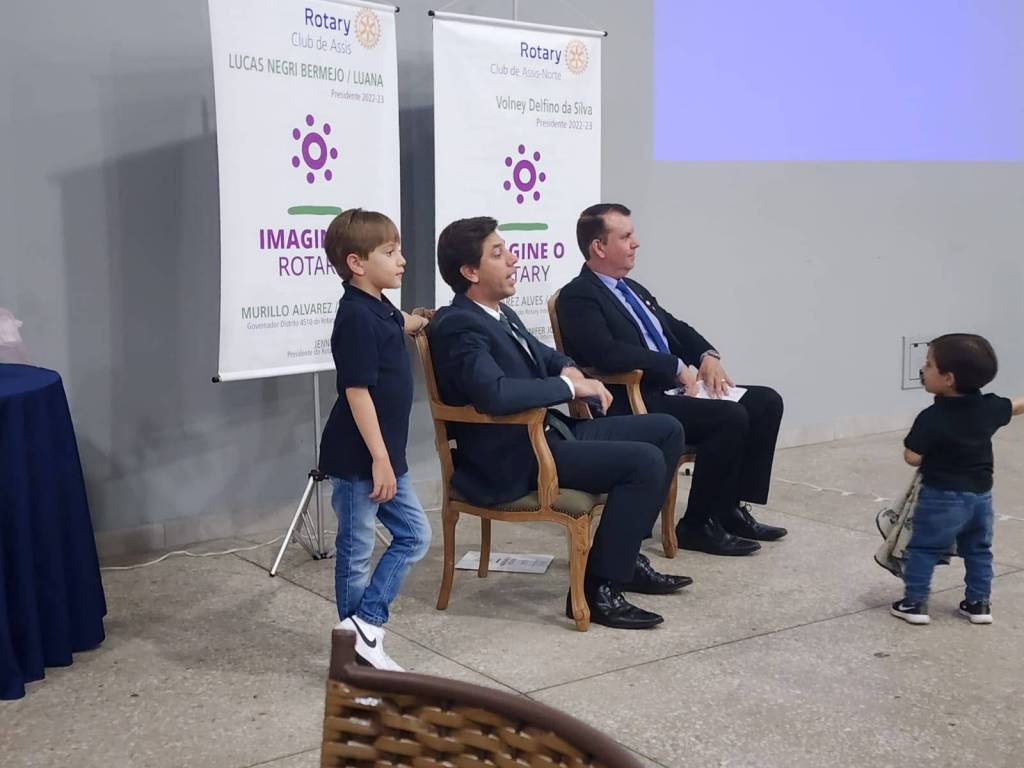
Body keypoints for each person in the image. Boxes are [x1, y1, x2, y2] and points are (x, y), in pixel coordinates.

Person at [428, 216, 690, 630]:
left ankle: (622, 558)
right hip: (517, 457)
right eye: (498, 254)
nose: (513, 259)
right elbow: (495, 394)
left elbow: (545, 355)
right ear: (470, 272)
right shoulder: (459, 326)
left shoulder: (499, 313)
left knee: (666, 430)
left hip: (548, 435)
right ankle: (597, 589)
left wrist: (569, 369)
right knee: (643, 462)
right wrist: (569, 388)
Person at [556, 203, 787, 557]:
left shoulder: (631, 288)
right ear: (598, 247)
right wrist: (675, 365)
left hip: (671, 390)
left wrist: (707, 356)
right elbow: (606, 353)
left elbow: (674, 328)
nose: (636, 243)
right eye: (626, 237)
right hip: (634, 398)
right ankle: (698, 524)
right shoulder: (578, 296)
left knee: (766, 402)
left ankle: (729, 509)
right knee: (729, 418)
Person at [318, 208, 432, 670]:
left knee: (415, 535)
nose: (402, 260)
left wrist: (420, 322)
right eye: (390, 252)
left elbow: (398, 322)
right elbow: (357, 391)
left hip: (387, 456)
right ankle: (356, 650)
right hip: (360, 458)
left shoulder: (378, 306)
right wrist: (380, 459)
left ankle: (364, 625)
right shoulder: (354, 318)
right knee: (356, 551)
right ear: (357, 263)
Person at [891, 333, 1023, 625]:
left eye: (928, 365)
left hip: (941, 496)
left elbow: (912, 456)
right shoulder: (990, 407)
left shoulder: (932, 417)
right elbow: (1015, 407)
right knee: (979, 550)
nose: (923, 369)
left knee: (924, 548)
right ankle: (978, 603)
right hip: (980, 496)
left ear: (948, 379)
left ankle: (914, 603)